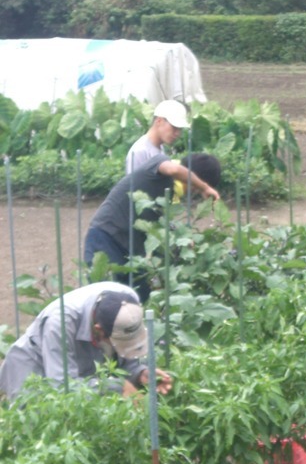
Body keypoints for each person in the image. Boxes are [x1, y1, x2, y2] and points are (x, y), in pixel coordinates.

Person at [0, 282, 171, 402]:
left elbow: (125, 351)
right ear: (98, 330)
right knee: (37, 433)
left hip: (79, 361)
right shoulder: (60, 323)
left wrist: (140, 373)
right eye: (116, 341)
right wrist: (118, 387)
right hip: (33, 366)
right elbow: (62, 387)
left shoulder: (127, 302)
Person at [84, 152, 222, 301]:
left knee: (141, 300)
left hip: (130, 254)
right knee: (105, 302)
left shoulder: (170, 199)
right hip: (106, 239)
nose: (193, 192)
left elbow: (160, 234)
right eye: (195, 189)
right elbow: (174, 171)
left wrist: (181, 243)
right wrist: (204, 187)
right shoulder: (160, 164)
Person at [125, 100, 190, 174]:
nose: (178, 133)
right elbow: (133, 184)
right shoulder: (139, 152)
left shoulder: (160, 147)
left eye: (180, 129)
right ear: (159, 121)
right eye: (174, 127)